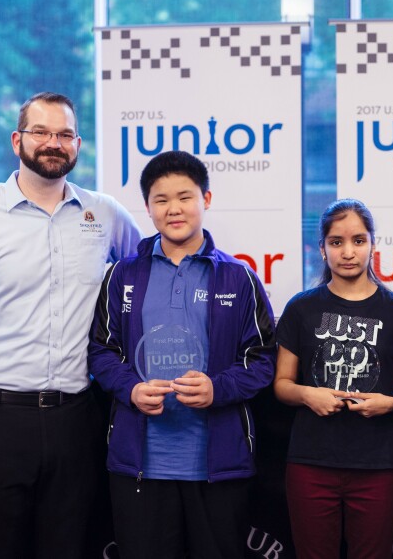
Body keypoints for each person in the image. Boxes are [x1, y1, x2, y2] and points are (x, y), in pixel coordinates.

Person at [0, 91, 142, 558]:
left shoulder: (103, 215)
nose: (53, 143)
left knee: (71, 548)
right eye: (41, 132)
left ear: (78, 144)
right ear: (17, 140)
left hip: (77, 419)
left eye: (64, 134)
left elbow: (148, 271)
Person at [87, 150, 276, 558]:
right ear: (148, 208)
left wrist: (218, 389)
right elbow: (101, 351)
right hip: (139, 464)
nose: (174, 208)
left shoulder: (238, 276)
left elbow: (262, 360)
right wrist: (131, 389)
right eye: (161, 199)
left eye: (185, 196)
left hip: (218, 465)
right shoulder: (123, 274)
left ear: (205, 200)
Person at [274, 198, 393, 559]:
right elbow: (281, 384)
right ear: (322, 249)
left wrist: (392, 403)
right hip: (311, 463)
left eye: (358, 240)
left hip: (377, 466)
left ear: (372, 243)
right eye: (336, 242)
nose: (348, 252)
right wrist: (310, 395)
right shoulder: (301, 308)